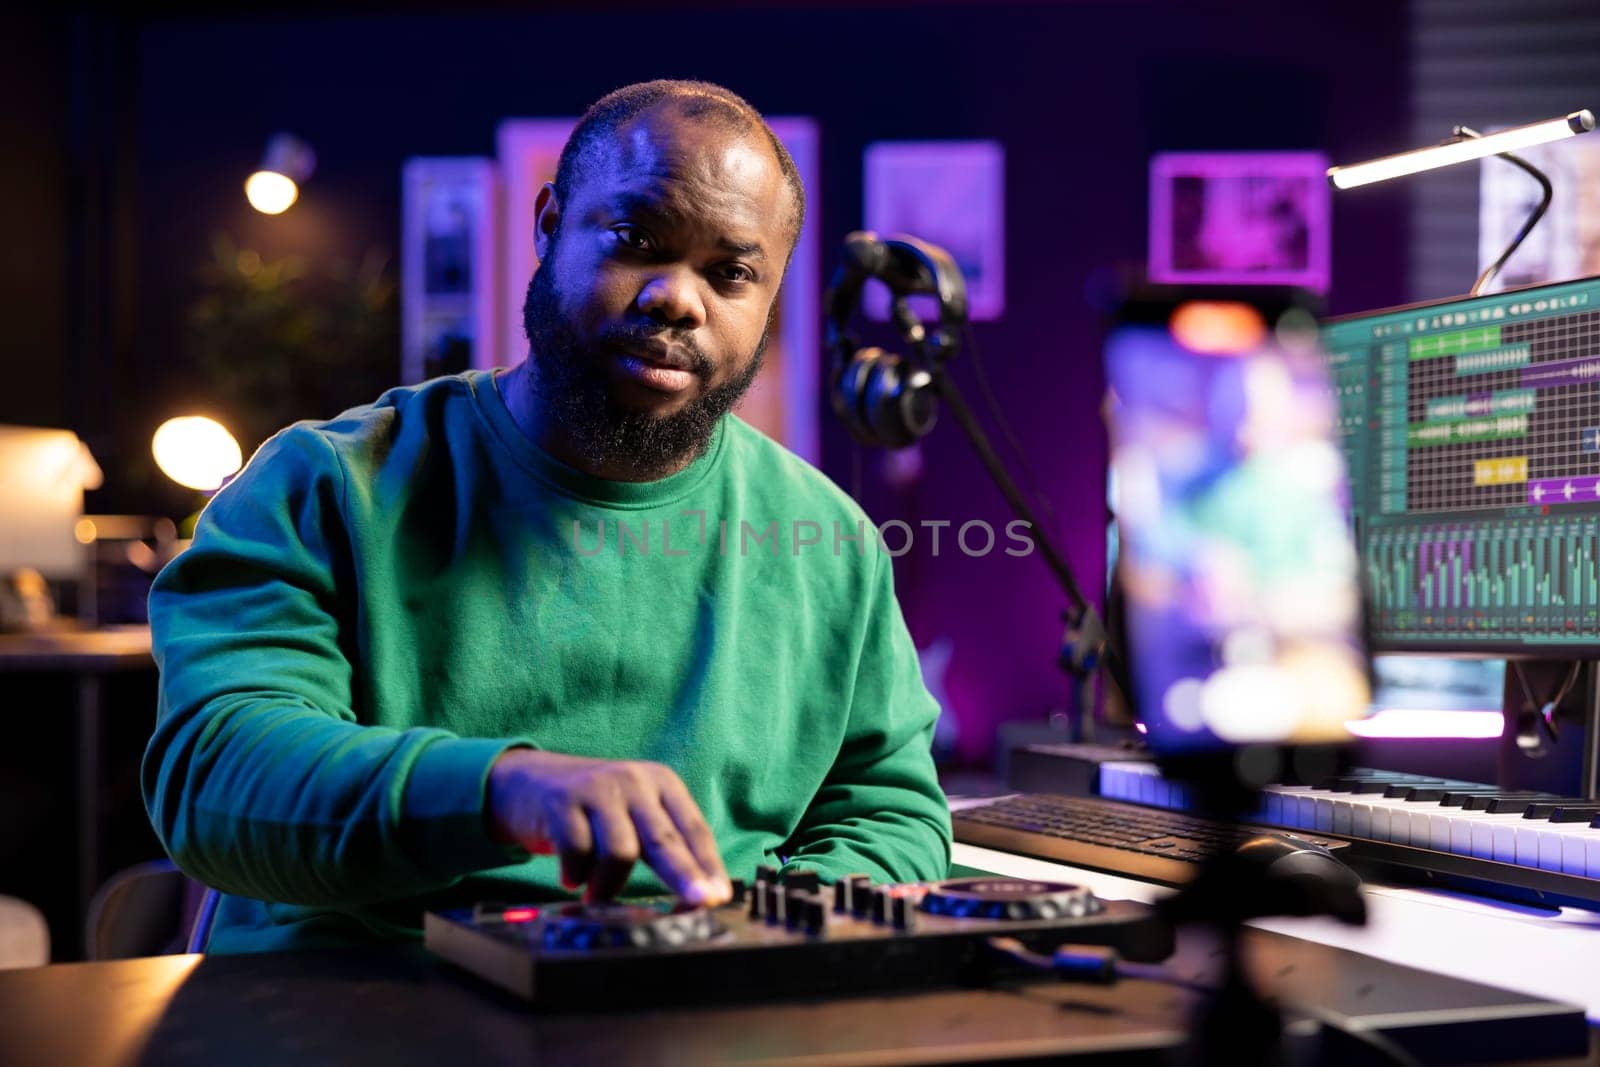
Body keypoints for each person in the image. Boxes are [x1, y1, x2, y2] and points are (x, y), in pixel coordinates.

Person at [143, 80, 952, 953]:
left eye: (732, 273)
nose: (681, 299)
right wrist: (503, 790)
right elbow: (215, 772)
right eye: (637, 239)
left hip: (695, 1014)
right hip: (361, 1011)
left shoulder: (830, 540)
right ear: (548, 226)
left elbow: (892, 813)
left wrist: (741, 936)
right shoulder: (325, 485)